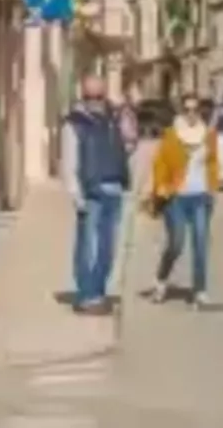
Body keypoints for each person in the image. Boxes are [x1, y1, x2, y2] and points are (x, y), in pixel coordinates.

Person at [60, 74, 130, 315]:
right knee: (88, 245)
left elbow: (130, 141)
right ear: (83, 97)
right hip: (91, 192)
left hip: (114, 188)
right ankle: (87, 294)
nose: (95, 103)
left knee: (108, 247)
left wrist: (125, 111)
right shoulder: (74, 124)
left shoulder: (113, 118)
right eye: (90, 98)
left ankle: (99, 291)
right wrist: (76, 196)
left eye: (99, 97)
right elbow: (69, 163)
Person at [147, 94, 219, 308]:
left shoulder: (209, 134)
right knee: (177, 243)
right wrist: (160, 186)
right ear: (181, 112)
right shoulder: (171, 135)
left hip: (200, 197)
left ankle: (200, 290)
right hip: (176, 197)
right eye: (187, 110)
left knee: (200, 243)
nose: (191, 114)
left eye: (195, 110)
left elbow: (213, 162)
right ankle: (161, 279)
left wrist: (213, 188)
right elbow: (159, 163)